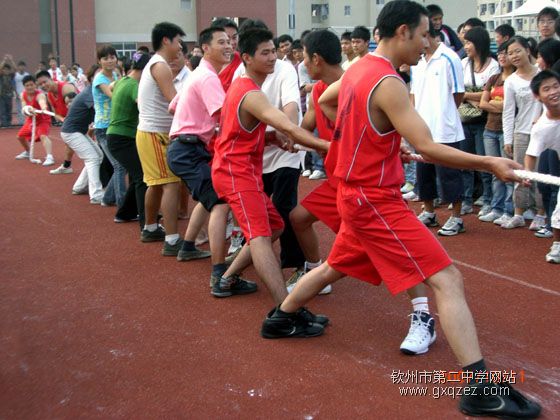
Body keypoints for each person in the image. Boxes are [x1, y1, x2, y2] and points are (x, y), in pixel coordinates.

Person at [262, 2, 541, 418]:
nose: (428, 42)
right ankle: (479, 390)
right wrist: (490, 163)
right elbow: (428, 146)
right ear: (405, 31)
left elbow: (330, 104)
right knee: (447, 279)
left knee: (333, 266)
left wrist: (382, 142)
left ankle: (280, 318)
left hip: (357, 196)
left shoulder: (358, 68)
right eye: (426, 34)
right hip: (374, 200)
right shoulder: (388, 82)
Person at [289, 29, 438, 355]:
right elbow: (313, 122)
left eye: (302, 55)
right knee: (309, 229)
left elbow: (391, 130)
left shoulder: (365, 79)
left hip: (368, 187)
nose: (300, 61)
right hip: (344, 183)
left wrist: (376, 147)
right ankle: (297, 295)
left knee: (401, 255)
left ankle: (424, 315)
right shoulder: (324, 89)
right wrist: (293, 136)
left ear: (315, 59)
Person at [211, 27, 329, 302]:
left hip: (242, 171)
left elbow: (243, 132)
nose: (272, 57)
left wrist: (274, 138)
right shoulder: (251, 93)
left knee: (275, 224)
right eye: (264, 53)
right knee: (260, 236)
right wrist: (330, 147)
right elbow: (290, 125)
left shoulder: (247, 88)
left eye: (273, 51)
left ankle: (226, 278)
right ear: (247, 58)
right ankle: (285, 309)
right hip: (234, 172)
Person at [167, 26, 234, 267]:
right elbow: (226, 117)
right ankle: (220, 271)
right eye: (222, 42)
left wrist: (197, 120)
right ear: (205, 48)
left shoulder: (195, 74)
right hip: (188, 150)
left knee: (208, 198)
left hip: (185, 148)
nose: (228, 45)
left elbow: (172, 107)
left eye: (229, 41)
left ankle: (187, 247)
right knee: (220, 201)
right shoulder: (207, 77)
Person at [412, 21, 467, 236]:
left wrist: (445, 114)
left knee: (450, 173)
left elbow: (459, 93)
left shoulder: (449, 58)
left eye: (422, 36)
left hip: (445, 128)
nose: (420, 41)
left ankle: (457, 217)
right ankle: (429, 211)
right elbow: (414, 93)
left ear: (432, 36)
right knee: (423, 172)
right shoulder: (418, 61)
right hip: (422, 127)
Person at [136, 22, 185, 252]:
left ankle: (151, 228)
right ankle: (172, 240)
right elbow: (174, 102)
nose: (180, 46)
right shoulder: (160, 65)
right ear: (166, 40)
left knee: (156, 184)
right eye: (178, 41)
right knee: (171, 184)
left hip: (149, 132)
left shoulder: (155, 64)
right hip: (157, 133)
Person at [502, 36, 546, 230]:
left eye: (517, 50)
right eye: (510, 53)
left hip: (544, 132)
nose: (514, 56)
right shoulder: (511, 81)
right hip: (521, 132)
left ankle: (541, 214)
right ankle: (518, 213)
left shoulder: (543, 73)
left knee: (542, 174)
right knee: (520, 173)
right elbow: (508, 111)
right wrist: (508, 137)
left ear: (528, 50)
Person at [106, 52, 152, 227]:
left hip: (117, 136)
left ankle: (125, 212)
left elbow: (111, 87)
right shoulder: (134, 85)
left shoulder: (123, 81)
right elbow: (143, 106)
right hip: (123, 137)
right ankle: (146, 222)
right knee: (142, 177)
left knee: (136, 175)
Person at [459, 26, 499, 216]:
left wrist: (468, 95)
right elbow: (458, 93)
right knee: (465, 163)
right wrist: (476, 95)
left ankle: (488, 200)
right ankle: (465, 199)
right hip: (465, 118)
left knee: (485, 163)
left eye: (469, 42)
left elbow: (490, 95)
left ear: (479, 43)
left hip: (484, 120)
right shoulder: (463, 63)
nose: (466, 46)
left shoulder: (493, 65)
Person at [478, 43, 515, 224]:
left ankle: (509, 211)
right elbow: (482, 104)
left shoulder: (515, 79)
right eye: (500, 53)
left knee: (507, 171)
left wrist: (499, 106)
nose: (502, 56)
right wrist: (502, 106)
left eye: (506, 53)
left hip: (507, 130)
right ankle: (496, 208)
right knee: (494, 171)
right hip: (489, 129)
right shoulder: (494, 78)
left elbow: (513, 107)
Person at [526, 70, 560, 263]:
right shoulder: (541, 127)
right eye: (546, 89)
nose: (554, 92)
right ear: (537, 96)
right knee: (559, 214)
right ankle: (558, 245)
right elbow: (531, 156)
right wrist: (527, 174)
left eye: (556, 86)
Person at [92, 45, 129, 212]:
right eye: (105, 58)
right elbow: (114, 96)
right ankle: (122, 204)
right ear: (99, 61)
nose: (110, 61)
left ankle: (107, 198)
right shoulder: (100, 80)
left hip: (115, 125)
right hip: (103, 128)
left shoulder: (116, 73)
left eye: (112, 57)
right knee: (120, 165)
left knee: (122, 164)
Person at [59, 65, 104, 204]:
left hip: (76, 131)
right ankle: (96, 194)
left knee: (98, 156)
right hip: (71, 132)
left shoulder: (94, 91)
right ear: (91, 79)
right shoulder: (90, 93)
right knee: (92, 158)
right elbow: (101, 110)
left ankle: (79, 187)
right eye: (99, 75)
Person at [36, 69, 77, 166]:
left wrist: (67, 119)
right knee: (69, 142)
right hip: (70, 123)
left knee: (89, 150)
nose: (43, 85)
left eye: (45, 82)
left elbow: (75, 107)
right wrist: (61, 118)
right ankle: (67, 166)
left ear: (51, 79)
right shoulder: (50, 95)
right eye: (40, 84)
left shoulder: (65, 88)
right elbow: (56, 114)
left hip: (82, 120)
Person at [14, 75, 53, 164]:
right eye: (27, 85)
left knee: (43, 136)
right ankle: (28, 152)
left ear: (35, 85)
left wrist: (43, 108)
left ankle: (50, 157)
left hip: (43, 119)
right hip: (31, 120)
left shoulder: (40, 94)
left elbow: (42, 102)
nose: (30, 87)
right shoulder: (23, 94)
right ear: (24, 87)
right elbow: (24, 108)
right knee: (20, 137)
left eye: (31, 85)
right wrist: (28, 110)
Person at [212, 18, 242, 93]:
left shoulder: (243, 62)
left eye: (234, 37)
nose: (232, 42)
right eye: (227, 38)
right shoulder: (207, 63)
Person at [0, 56, 15, 128]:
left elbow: (15, 69)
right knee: (2, 110)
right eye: (4, 69)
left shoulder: (11, 76)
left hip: (9, 95)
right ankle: (4, 124)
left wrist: (11, 60)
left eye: (7, 69)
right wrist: (4, 60)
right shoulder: (1, 75)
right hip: (2, 95)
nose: (6, 71)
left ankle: (9, 123)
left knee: (9, 109)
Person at [14, 60, 29, 126]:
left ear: (25, 67)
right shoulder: (15, 75)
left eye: (23, 66)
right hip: (18, 94)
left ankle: (27, 121)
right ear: (18, 67)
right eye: (20, 66)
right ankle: (21, 122)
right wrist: (15, 93)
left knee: (26, 108)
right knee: (19, 109)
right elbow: (13, 85)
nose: (22, 67)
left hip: (26, 94)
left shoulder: (27, 75)